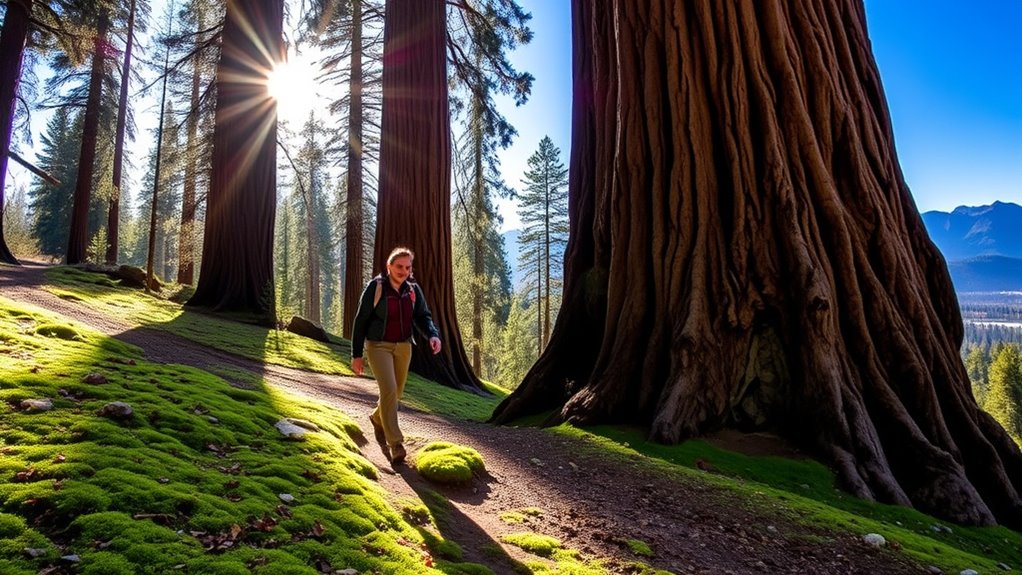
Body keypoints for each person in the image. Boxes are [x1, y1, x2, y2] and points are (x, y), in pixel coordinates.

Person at [351, 247, 441, 464]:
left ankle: (376, 417)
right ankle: (395, 444)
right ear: (389, 266)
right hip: (378, 346)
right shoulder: (376, 287)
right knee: (389, 389)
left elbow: (423, 316)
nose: (403, 271)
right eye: (399, 266)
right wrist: (356, 354)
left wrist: (432, 335)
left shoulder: (412, 290)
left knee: (397, 392)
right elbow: (361, 320)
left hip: (403, 347)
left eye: (407, 267)